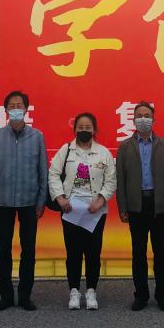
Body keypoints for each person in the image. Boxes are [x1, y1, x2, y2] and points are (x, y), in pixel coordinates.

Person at [0, 89, 48, 311]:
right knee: (3, 250)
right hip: (2, 202)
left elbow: (43, 172)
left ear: (26, 109)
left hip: (29, 202)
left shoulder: (37, 137)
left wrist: (41, 201)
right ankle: (5, 296)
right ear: (5, 110)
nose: (15, 109)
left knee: (28, 250)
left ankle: (24, 296)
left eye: (19, 105)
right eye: (11, 106)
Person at [48, 112, 116, 310]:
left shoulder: (103, 153)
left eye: (88, 127)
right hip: (70, 210)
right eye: (80, 127)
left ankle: (91, 290)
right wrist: (60, 198)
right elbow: (53, 174)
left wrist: (101, 200)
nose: (84, 131)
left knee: (93, 252)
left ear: (94, 130)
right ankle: (74, 291)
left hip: (96, 212)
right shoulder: (66, 150)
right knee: (73, 253)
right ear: (74, 129)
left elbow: (111, 180)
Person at [115, 101, 164, 311]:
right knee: (138, 253)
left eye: (147, 115)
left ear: (153, 119)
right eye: (139, 115)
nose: (143, 119)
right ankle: (141, 295)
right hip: (136, 205)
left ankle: (163, 295)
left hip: (159, 204)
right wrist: (122, 207)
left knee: (161, 253)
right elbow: (120, 180)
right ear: (133, 120)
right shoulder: (125, 147)